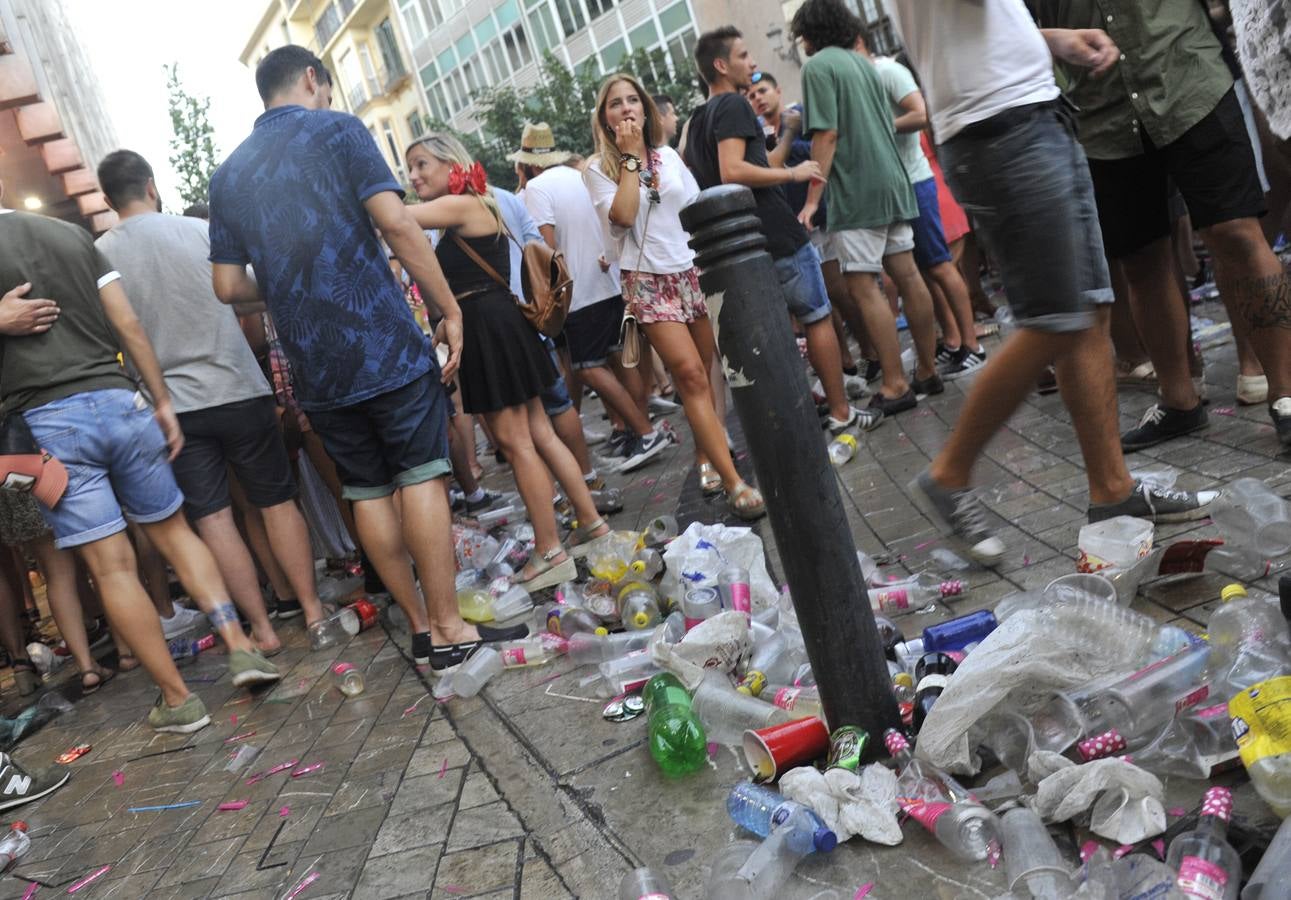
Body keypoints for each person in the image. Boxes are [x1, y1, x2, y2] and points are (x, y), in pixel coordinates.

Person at [209, 45, 526, 672]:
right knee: (420, 476)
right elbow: (400, 226)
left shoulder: (229, 176)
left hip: (314, 365)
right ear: (311, 79)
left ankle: (417, 625)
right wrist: (448, 310)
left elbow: (226, 287)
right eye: (324, 87)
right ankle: (449, 626)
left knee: (368, 489)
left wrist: (283, 282)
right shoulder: (338, 131)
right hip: (380, 339)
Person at [874, 0, 1214, 565]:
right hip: (1004, 133)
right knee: (1058, 317)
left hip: (1022, 119)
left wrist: (1045, 39)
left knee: (1085, 311)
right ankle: (950, 471)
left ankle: (1113, 493)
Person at [0, 179, 281, 733]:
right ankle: (238, 645)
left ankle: (178, 701)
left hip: (49, 428)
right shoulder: (72, 236)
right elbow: (126, 324)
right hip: (121, 400)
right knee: (176, 533)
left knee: (112, 566)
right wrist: (162, 401)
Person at [1027, 0, 1291, 449]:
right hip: (1100, 108)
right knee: (1141, 259)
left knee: (1236, 233)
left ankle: (1286, 395)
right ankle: (1179, 400)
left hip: (1188, 76)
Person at [95, 149, 327, 653]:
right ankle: (312, 612)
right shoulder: (200, 232)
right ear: (151, 185)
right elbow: (247, 292)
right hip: (238, 387)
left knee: (214, 519)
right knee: (276, 502)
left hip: (171, 407)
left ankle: (261, 630)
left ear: (107, 198)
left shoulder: (101, 253)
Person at [403, 133, 611, 583]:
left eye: (421, 165)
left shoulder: (459, 205)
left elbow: (396, 219)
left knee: (517, 444)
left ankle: (550, 549)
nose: (413, 176)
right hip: (500, 322)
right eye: (409, 169)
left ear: (450, 164)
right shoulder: (476, 203)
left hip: (489, 328)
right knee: (540, 433)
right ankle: (591, 522)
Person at [584, 73, 766, 518]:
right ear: (604, 118)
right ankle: (733, 481)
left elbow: (697, 205)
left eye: (632, 100)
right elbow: (623, 217)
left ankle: (706, 456)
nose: (625, 108)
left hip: (690, 271)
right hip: (646, 279)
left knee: (704, 372)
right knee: (687, 375)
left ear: (645, 110)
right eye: (615, 103)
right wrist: (629, 160)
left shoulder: (667, 156)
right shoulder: (597, 169)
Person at [685, 27, 880, 435]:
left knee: (774, 335)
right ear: (721, 65)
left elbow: (750, 163)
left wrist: (788, 136)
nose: (752, 63)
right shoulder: (734, 107)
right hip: (772, 232)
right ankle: (843, 415)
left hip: (738, 246)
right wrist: (794, 173)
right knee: (817, 317)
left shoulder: (699, 119)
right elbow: (733, 171)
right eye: (743, 55)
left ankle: (798, 422)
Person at [792, 3, 943, 415]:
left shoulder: (819, 67)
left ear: (809, 32)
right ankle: (927, 370)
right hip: (893, 180)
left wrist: (811, 200)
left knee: (862, 284)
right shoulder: (865, 64)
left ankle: (895, 384)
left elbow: (827, 134)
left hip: (857, 188)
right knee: (908, 275)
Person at [510, 122, 674, 470]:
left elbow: (545, 249)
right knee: (618, 358)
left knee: (587, 368)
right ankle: (637, 431)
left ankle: (644, 432)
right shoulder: (582, 174)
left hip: (578, 292)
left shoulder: (537, 189)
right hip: (609, 281)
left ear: (531, 164)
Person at [860, 41, 986, 381]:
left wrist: (878, 126)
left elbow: (919, 114)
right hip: (901, 186)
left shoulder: (887, 71)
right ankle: (956, 342)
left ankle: (973, 346)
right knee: (928, 272)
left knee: (941, 267)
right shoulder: (867, 77)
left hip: (917, 183)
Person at [746, 71, 871, 400]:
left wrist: (789, 138)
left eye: (762, 91)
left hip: (823, 216)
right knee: (821, 304)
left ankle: (871, 353)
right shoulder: (756, 136)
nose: (758, 98)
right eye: (751, 95)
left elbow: (823, 152)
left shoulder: (800, 115)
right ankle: (844, 364)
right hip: (793, 227)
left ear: (777, 91)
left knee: (840, 291)